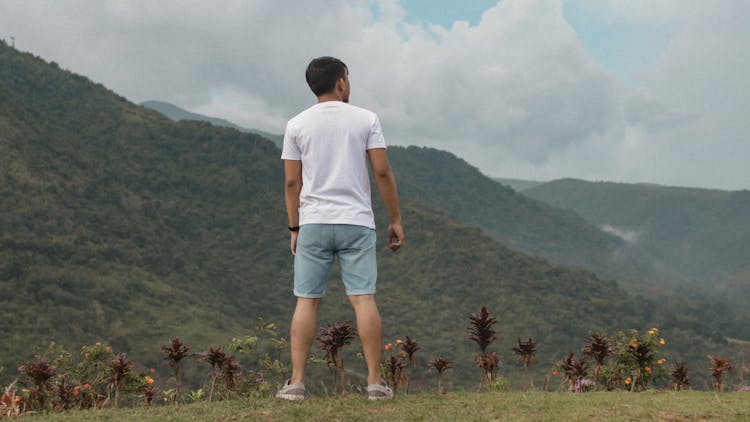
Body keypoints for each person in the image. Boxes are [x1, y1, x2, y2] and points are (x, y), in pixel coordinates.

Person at [276, 56, 404, 401]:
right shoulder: (366, 119)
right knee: (363, 300)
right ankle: (376, 384)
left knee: (306, 301)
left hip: (313, 222)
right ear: (341, 82)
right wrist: (395, 219)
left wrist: (294, 227)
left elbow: (291, 182)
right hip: (356, 222)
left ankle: (297, 383)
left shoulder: (296, 124)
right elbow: (382, 172)